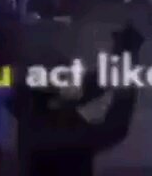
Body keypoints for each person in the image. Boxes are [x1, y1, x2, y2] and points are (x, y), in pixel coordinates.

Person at [19, 24, 144, 176]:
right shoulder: (56, 133)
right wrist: (127, 57)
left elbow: (88, 87)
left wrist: (121, 56)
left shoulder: (37, 118)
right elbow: (115, 125)